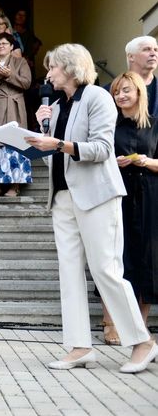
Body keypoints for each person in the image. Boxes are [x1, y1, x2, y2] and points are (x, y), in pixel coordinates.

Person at [24, 43, 158, 373]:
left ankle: (142, 343)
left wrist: (56, 143)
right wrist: (37, 138)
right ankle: (79, 346)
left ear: (70, 67)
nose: (49, 73)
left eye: (52, 67)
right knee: (69, 274)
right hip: (63, 198)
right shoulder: (55, 106)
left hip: (97, 195)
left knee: (107, 271)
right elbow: (55, 155)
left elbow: (100, 148)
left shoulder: (98, 98)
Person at [99, 72, 157, 345]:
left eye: (126, 91)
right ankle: (110, 322)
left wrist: (144, 161)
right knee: (115, 258)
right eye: (116, 92)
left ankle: (140, 326)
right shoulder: (109, 126)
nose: (120, 96)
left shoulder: (155, 126)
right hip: (117, 194)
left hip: (148, 197)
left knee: (146, 259)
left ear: (138, 93)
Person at [0, 33, 32, 197]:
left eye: (5, 43)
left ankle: (14, 186)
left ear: (11, 47)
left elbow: (26, 83)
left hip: (14, 106)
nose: (1, 45)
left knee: (14, 146)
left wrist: (9, 75)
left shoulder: (20, 62)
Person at [124, 36, 158, 117]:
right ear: (131, 57)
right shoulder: (111, 91)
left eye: (156, 50)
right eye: (146, 49)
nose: (153, 54)